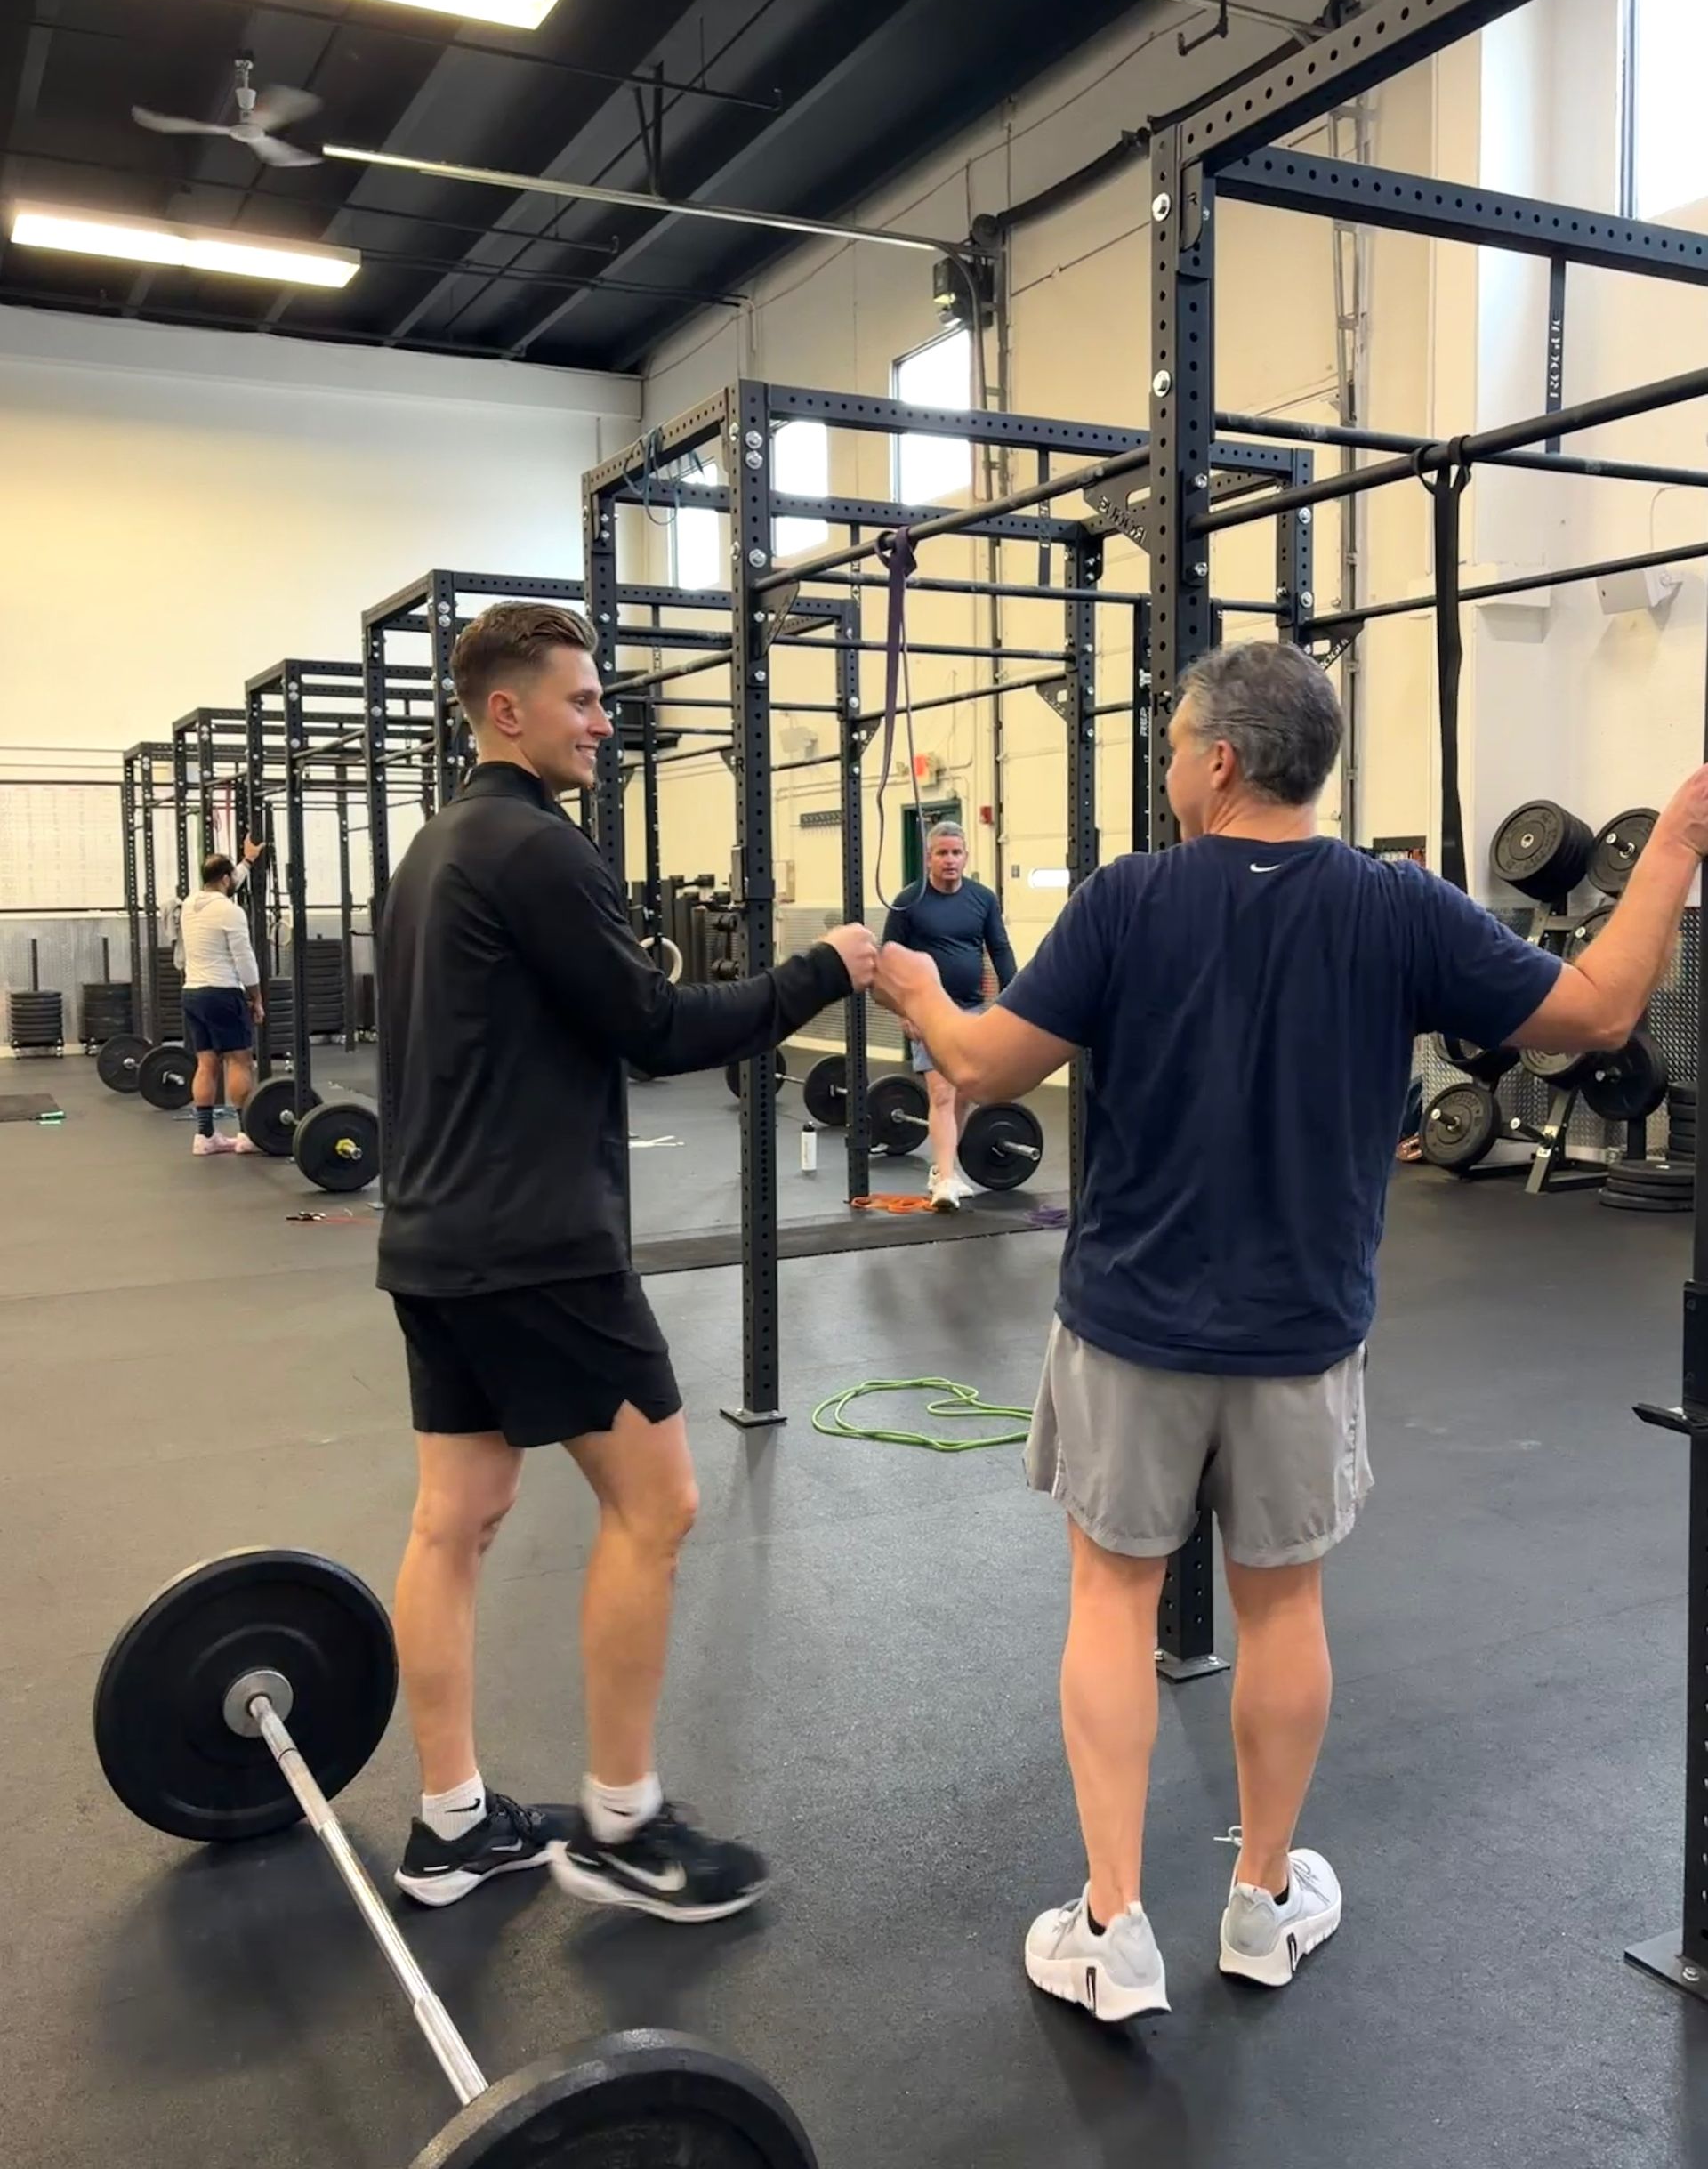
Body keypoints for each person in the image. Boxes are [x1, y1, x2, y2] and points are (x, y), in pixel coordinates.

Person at [875, 638, 1708, 2021]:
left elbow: (983, 1066)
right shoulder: (1397, 906)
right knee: (1284, 1610)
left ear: (1216, 760)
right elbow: (1606, 1011)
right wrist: (1677, 839)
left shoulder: (1129, 898)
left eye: (1168, 751)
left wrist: (912, 991)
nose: (1163, 775)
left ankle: (1113, 1924)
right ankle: (1261, 1903)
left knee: (1111, 1602)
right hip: (1301, 1340)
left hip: (1131, 1329)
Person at [376, 601, 879, 1917]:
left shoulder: (433, 851)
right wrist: (822, 968)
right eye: (584, 701)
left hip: (433, 1240)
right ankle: (620, 1825)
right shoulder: (536, 849)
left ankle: (452, 1824)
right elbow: (657, 1029)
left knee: (455, 1520)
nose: (606, 721)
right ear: (505, 712)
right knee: (658, 1508)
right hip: (537, 1247)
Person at [880, 820, 1016, 1210]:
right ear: (928, 858)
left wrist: (1017, 998)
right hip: (926, 1011)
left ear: (966, 856)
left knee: (962, 1091)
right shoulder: (908, 901)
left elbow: (1000, 950)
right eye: (942, 853)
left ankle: (944, 1167)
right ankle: (945, 1182)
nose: (949, 860)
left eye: (956, 853)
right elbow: (889, 961)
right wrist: (903, 1010)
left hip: (971, 1008)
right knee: (941, 1092)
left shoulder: (982, 899)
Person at [177, 839, 266, 1156]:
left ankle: (205, 1136)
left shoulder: (189, 904)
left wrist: (247, 861)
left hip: (192, 994)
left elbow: (228, 883)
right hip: (222, 993)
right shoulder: (230, 911)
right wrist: (256, 998)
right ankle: (247, 1135)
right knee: (240, 1062)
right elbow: (245, 959)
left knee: (206, 1063)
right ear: (225, 879)